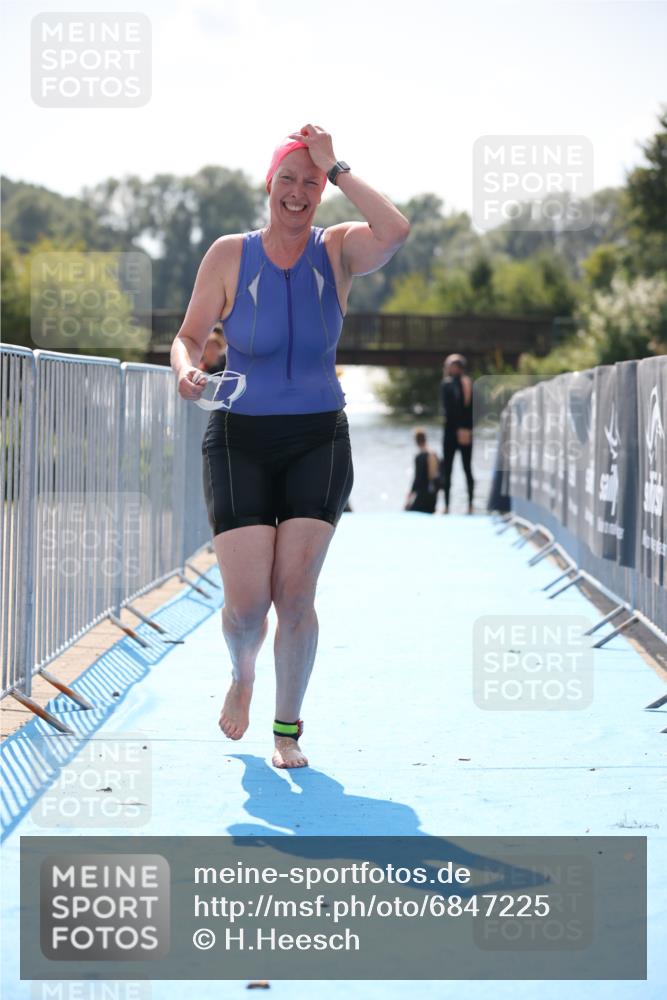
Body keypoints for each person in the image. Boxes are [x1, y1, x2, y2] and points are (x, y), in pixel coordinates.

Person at [170, 124, 410, 769]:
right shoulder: (230, 254)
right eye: (288, 179)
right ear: (268, 185)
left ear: (322, 191)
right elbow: (189, 336)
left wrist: (338, 164)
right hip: (239, 439)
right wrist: (187, 370)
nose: (298, 192)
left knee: (296, 596)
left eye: (311, 181)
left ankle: (286, 729)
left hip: (317, 438)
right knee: (248, 610)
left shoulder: (337, 250)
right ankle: (242, 674)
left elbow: (395, 231)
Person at [440, 353, 474, 514]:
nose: (449, 368)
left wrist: (465, 429)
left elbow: (466, 409)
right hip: (455, 431)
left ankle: (468, 505)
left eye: (451, 365)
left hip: (461, 431)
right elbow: (450, 409)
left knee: (464, 468)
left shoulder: (462, 383)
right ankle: (449, 506)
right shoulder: (449, 383)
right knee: (450, 470)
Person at [404, 428, 440, 513]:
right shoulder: (433, 454)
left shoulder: (419, 456)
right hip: (432, 494)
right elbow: (435, 477)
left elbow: (417, 479)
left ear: (416, 441)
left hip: (423, 494)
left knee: (408, 510)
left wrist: (410, 494)